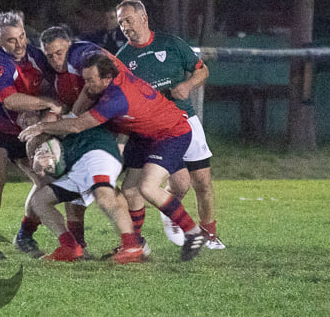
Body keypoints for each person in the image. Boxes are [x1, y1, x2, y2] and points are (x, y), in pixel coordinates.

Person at [19, 54, 207, 261]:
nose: (86, 85)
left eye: (90, 80)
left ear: (107, 78)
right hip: (143, 135)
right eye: (85, 79)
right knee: (128, 190)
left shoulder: (116, 98)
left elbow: (77, 125)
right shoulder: (115, 81)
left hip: (170, 133)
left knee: (148, 188)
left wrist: (41, 126)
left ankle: (193, 233)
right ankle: (134, 246)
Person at [114, 0, 224, 249]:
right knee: (164, 184)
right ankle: (158, 225)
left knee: (202, 182)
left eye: (128, 20)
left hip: (185, 118)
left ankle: (208, 234)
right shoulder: (123, 59)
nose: (124, 26)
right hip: (154, 129)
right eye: (120, 22)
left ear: (144, 17)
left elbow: (202, 70)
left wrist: (187, 86)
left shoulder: (171, 44)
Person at [0, 11, 62, 261]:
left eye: (21, 36)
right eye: (11, 40)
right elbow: (10, 100)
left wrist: (45, 113)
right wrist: (44, 103)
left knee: (45, 182)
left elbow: (53, 83)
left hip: (22, 128)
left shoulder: (35, 54)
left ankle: (24, 235)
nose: (20, 44)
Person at [36, 26, 132, 253]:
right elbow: (64, 110)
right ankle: (74, 247)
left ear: (69, 44)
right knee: (44, 200)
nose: (55, 59)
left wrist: (57, 123)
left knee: (109, 193)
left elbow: (83, 107)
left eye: (59, 52)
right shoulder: (56, 77)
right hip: (82, 140)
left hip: (103, 138)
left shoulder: (82, 54)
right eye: (49, 55)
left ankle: (133, 245)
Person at [27, 126, 145, 264]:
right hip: (77, 163)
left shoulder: (64, 113)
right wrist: (39, 168)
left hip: (97, 151)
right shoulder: (40, 138)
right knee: (39, 201)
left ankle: (131, 247)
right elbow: (45, 181)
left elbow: (79, 120)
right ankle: (70, 247)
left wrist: (120, 144)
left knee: (105, 196)